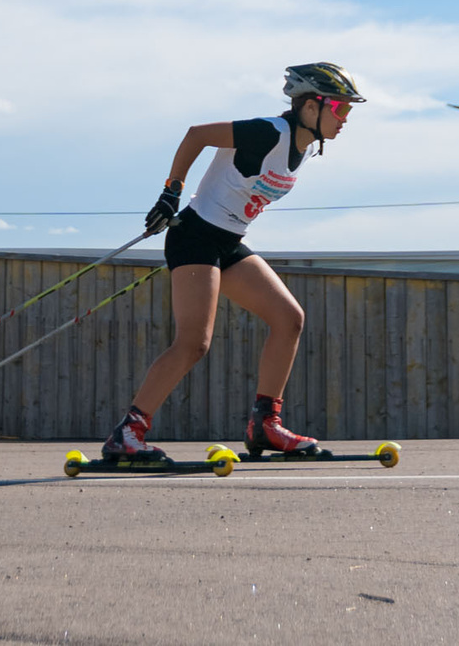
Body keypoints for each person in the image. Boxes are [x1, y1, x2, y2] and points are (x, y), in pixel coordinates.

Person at [100, 61, 367, 464]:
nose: (345, 119)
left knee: (289, 318)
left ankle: (265, 426)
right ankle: (128, 434)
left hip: (228, 241)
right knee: (194, 342)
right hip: (195, 236)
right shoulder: (268, 132)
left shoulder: (305, 148)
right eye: (341, 109)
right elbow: (196, 135)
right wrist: (171, 192)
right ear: (311, 106)